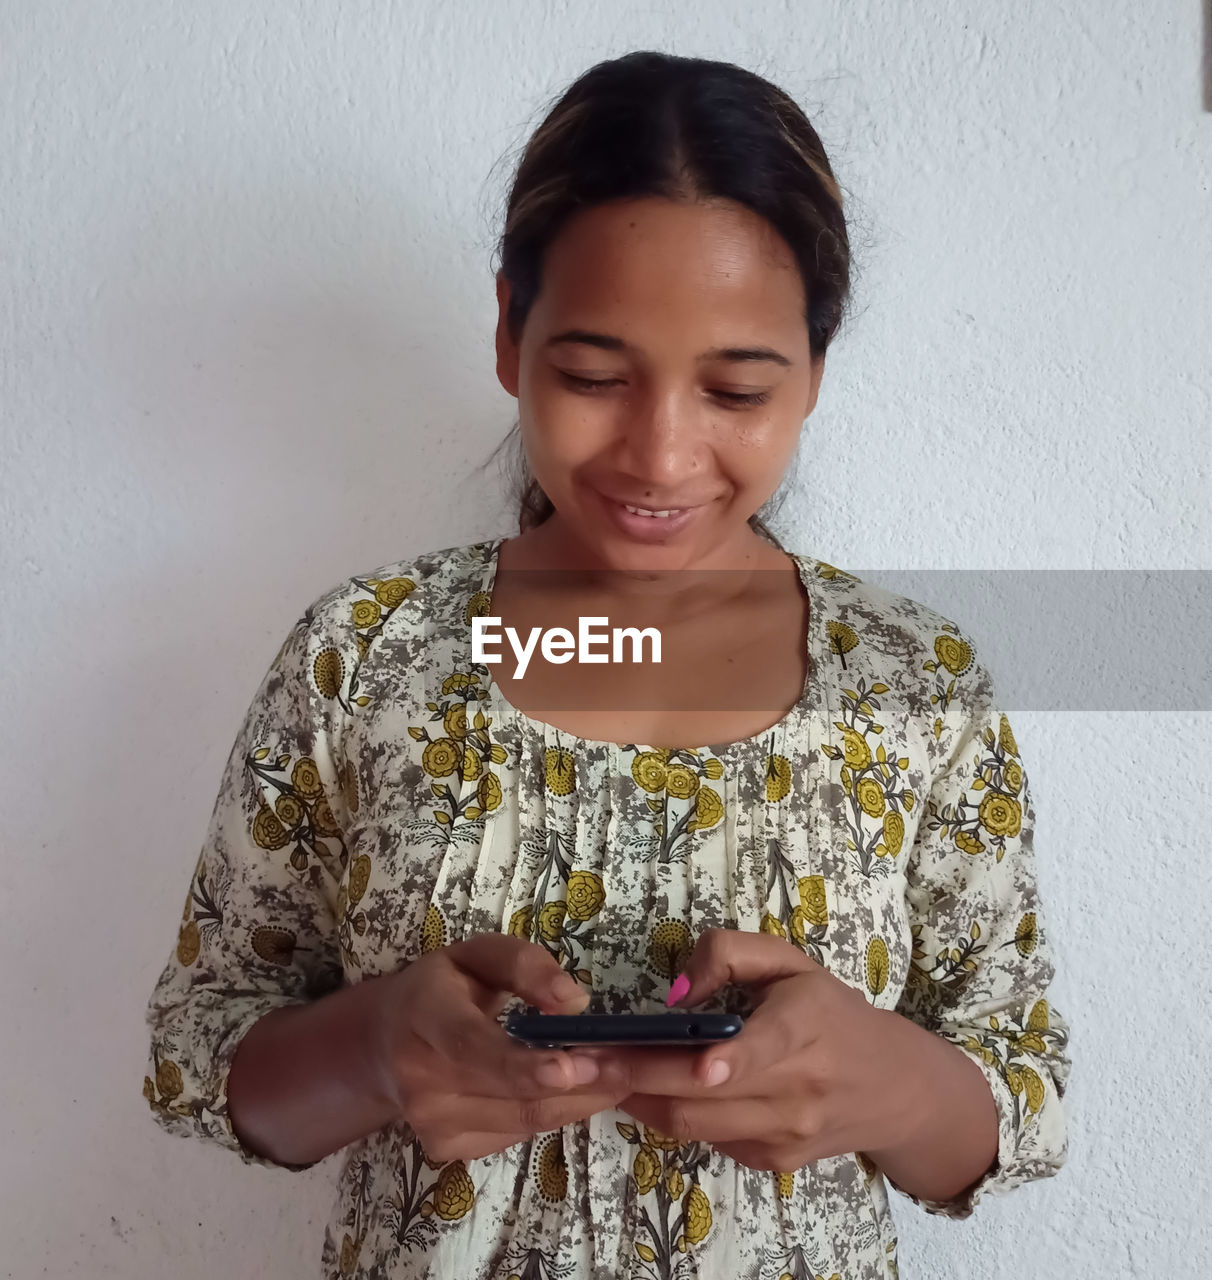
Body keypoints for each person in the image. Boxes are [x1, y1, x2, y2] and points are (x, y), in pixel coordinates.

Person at [142, 50, 1070, 1280]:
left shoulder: (914, 680)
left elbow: (1025, 1095)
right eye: (592, 376)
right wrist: (376, 1050)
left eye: (737, 388)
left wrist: (887, 1086)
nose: (661, 453)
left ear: (815, 378)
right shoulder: (361, 656)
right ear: (507, 335)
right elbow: (200, 1056)